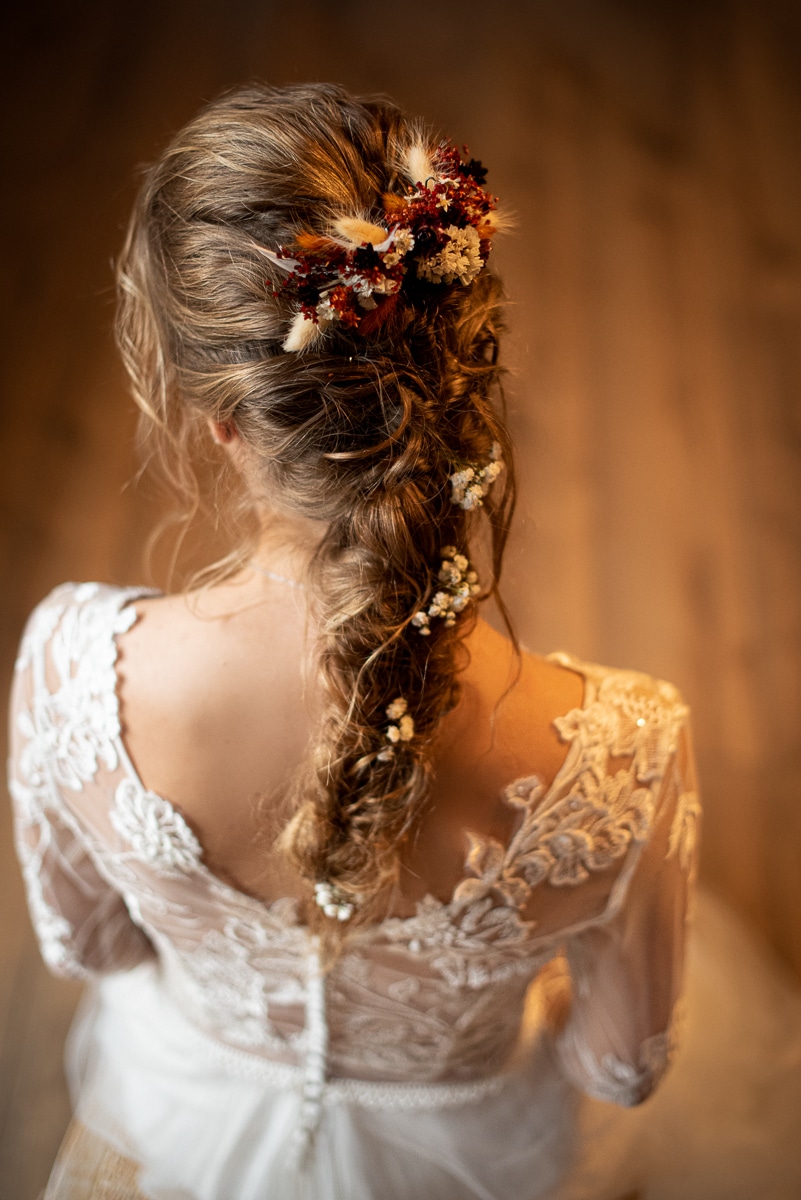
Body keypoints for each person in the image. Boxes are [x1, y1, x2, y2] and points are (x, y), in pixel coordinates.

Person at [7, 82, 801, 1200]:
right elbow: (621, 1069)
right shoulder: (630, 749)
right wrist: (480, 993)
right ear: (458, 373)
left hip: (177, 1115)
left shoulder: (71, 669)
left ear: (222, 419)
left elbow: (91, 949)